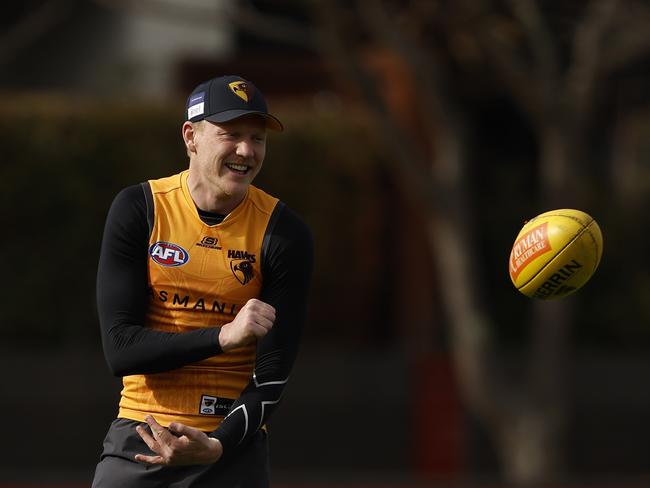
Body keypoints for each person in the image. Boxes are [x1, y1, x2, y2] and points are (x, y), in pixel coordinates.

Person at [91, 75, 313, 488]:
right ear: (191, 137)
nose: (246, 151)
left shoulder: (283, 233)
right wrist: (223, 337)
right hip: (142, 434)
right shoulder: (141, 208)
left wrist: (218, 445)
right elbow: (120, 349)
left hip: (231, 447)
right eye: (231, 134)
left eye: (257, 138)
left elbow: (274, 375)